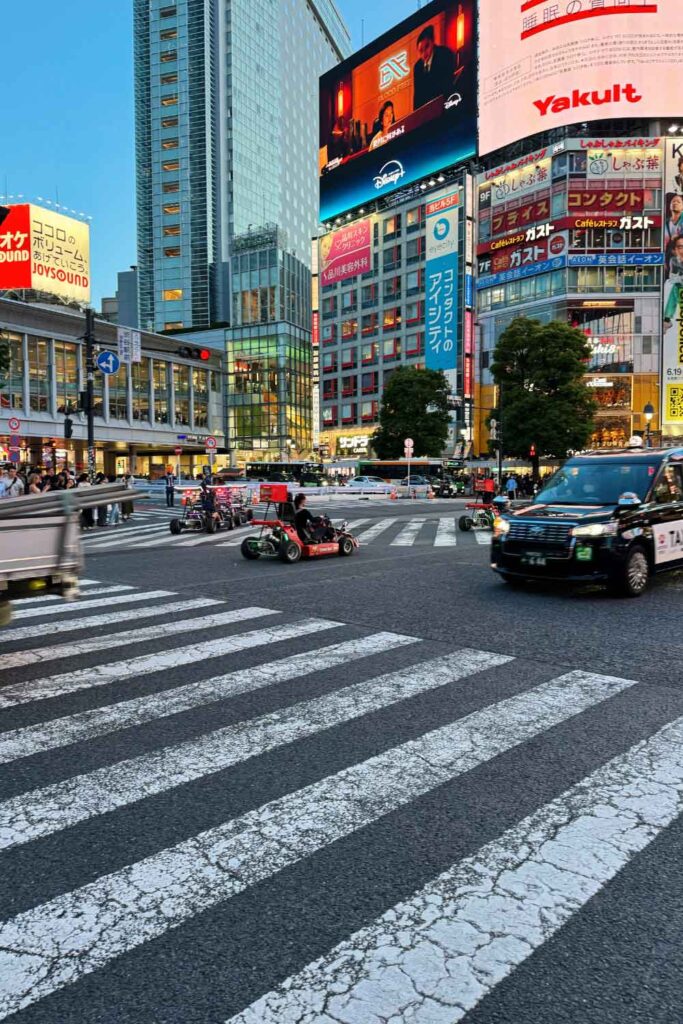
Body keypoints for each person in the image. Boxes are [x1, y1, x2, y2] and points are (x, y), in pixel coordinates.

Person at [413, 24, 455, 111]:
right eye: (421, 51)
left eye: (427, 46)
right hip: (427, 113)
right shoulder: (417, 67)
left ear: (433, 42)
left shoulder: (444, 54)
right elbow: (417, 97)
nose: (424, 53)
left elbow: (448, 83)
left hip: (447, 104)